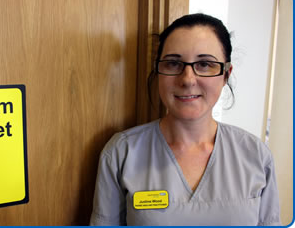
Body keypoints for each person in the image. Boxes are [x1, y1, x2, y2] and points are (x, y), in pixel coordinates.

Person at [89, 13, 281, 226]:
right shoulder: (121, 153)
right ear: (158, 70)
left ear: (226, 74)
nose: (188, 79)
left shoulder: (256, 156)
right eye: (173, 63)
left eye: (205, 64)